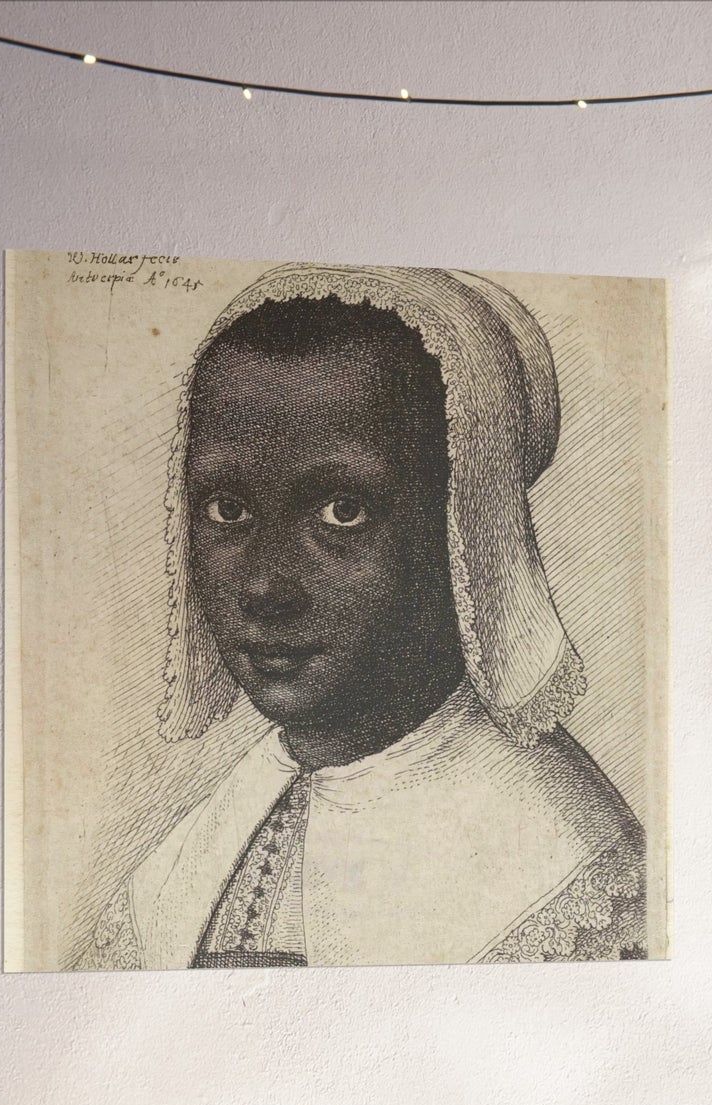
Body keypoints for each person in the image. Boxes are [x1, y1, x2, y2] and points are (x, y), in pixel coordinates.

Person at [85, 263, 644, 969]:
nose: (264, 586)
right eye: (228, 510)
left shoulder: (558, 865)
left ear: (465, 533)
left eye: (341, 513)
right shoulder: (193, 851)